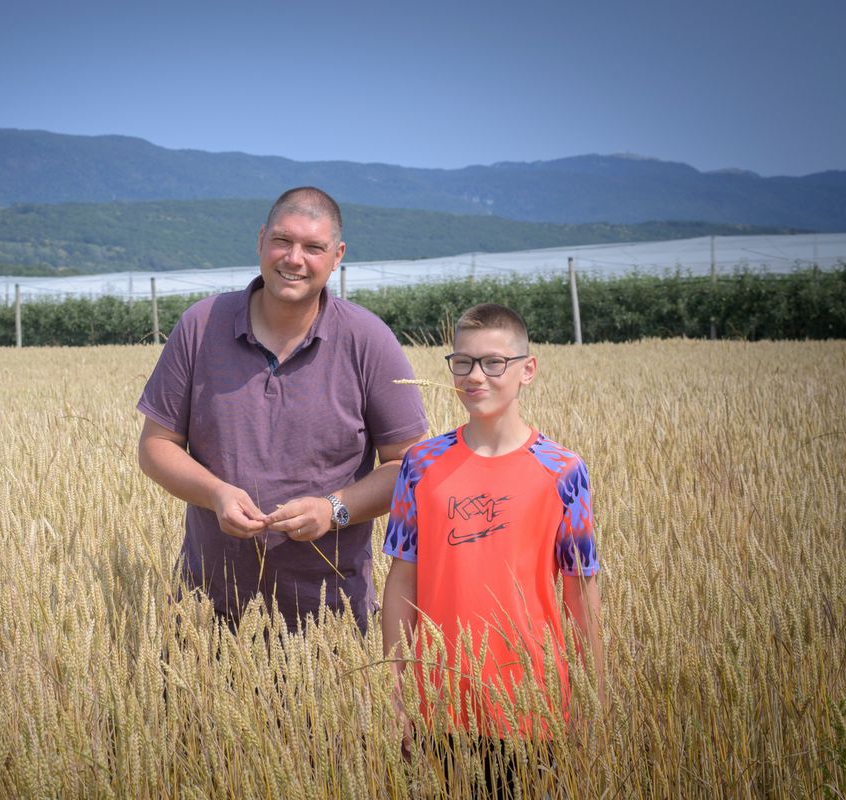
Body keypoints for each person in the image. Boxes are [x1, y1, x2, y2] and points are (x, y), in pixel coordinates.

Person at [137, 187, 427, 633]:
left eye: (314, 247)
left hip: (332, 619)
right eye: (282, 241)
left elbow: (409, 464)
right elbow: (156, 446)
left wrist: (335, 509)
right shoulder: (201, 325)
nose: (294, 259)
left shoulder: (368, 340)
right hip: (206, 610)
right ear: (260, 241)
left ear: (337, 255)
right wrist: (217, 495)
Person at [380, 303, 604, 795]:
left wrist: (596, 696)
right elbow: (401, 580)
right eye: (463, 362)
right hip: (438, 703)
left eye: (493, 362)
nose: (475, 375)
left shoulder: (565, 470)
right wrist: (395, 687)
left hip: (532, 703)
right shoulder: (421, 464)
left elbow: (581, 592)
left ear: (528, 369)